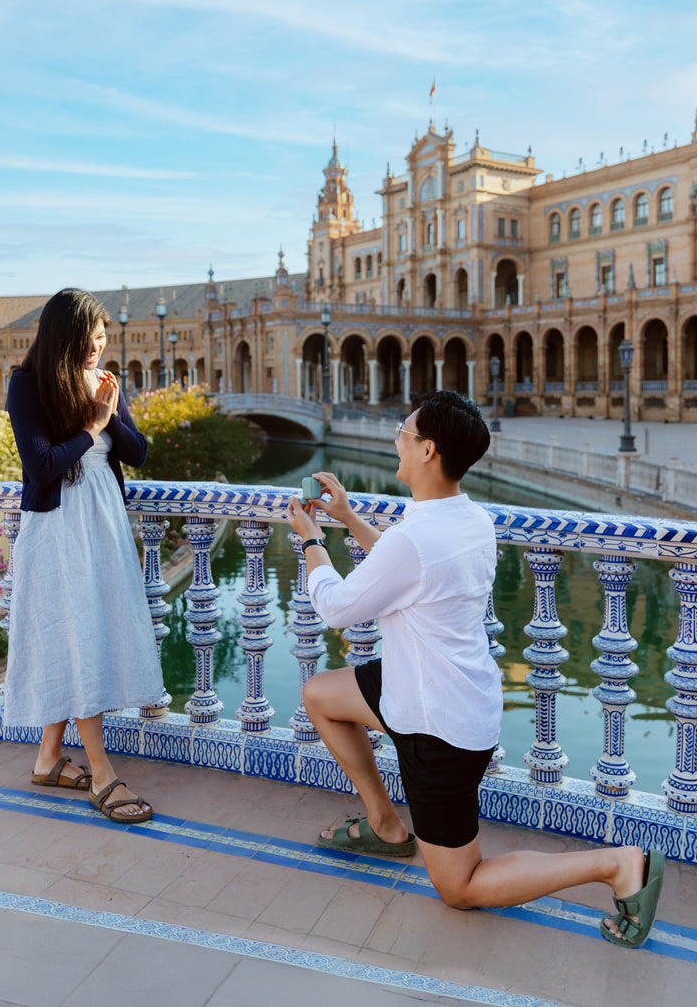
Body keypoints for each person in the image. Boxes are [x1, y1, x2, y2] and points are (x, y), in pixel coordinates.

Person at [283, 390, 665, 948]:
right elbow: (406, 566)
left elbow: (340, 608)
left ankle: (619, 865)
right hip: (432, 692)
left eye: (404, 432)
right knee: (321, 694)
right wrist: (349, 519)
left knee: (459, 886)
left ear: (428, 450)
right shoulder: (467, 519)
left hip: (439, 728)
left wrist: (314, 541)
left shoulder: (418, 538)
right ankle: (387, 827)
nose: (396, 438)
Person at [5, 288, 161, 824]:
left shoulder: (107, 383)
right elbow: (42, 465)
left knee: (87, 629)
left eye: (102, 339)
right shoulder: (26, 385)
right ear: (64, 339)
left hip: (102, 522)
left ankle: (49, 757)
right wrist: (92, 426)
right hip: (55, 525)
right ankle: (100, 770)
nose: (97, 348)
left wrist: (110, 415)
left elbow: (138, 453)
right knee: (77, 635)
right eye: (89, 340)